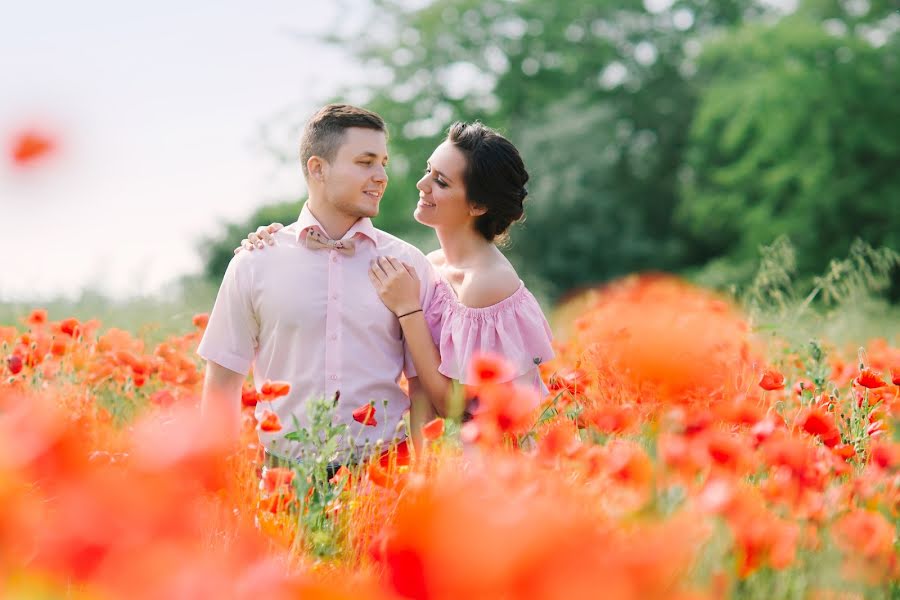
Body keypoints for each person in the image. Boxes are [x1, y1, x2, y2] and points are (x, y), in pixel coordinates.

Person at [239, 121, 554, 424]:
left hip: (504, 454)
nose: (422, 184)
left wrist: (408, 309)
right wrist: (279, 243)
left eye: (441, 181)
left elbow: (452, 406)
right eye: (428, 171)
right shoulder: (430, 263)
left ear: (478, 206)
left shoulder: (487, 281)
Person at [198, 104, 437, 469]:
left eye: (383, 163)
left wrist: (425, 479)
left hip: (385, 476)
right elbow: (221, 385)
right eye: (365, 162)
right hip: (286, 482)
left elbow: (423, 388)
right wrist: (218, 488)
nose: (381, 176)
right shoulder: (255, 261)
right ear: (317, 168)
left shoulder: (407, 264)